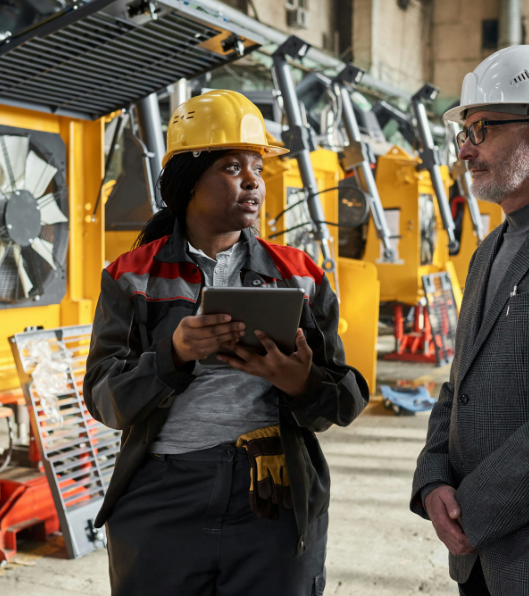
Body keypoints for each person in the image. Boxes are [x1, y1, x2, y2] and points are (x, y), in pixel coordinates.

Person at [84, 89, 369, 595]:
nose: (253, 181)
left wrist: (300, 382)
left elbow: (343, 402)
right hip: (163, 498)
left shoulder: (299, 275)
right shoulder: (132, 276)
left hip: (272, 494)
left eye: (257, 167)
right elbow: (105, 399)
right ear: (189, 179)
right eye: (233, 167)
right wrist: (173, 356)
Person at [411, 45, 529, 595]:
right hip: (477, 555)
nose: (464, 149)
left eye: (481, 129)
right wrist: (433, 478)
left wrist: (468, 511)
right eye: (463, 132)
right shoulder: (488, 250)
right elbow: (460, 384)